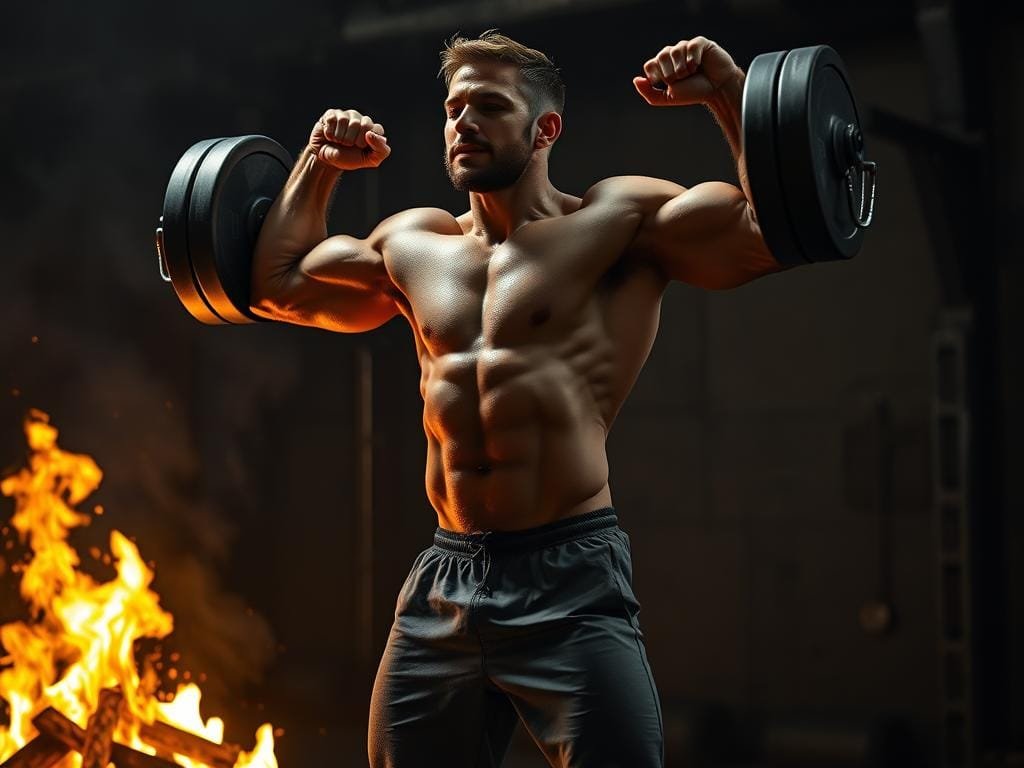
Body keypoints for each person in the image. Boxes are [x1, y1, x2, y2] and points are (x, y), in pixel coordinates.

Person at [251, 29, 783, 768]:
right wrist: (319, 161)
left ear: (545, 129)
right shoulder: (411, 245)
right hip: (446, 578)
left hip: (569, 576)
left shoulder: (615, 223)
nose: (462, 123)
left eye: (488, 107)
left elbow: (770, 228)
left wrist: (730, 91)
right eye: (452, 108)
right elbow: (276, 285)